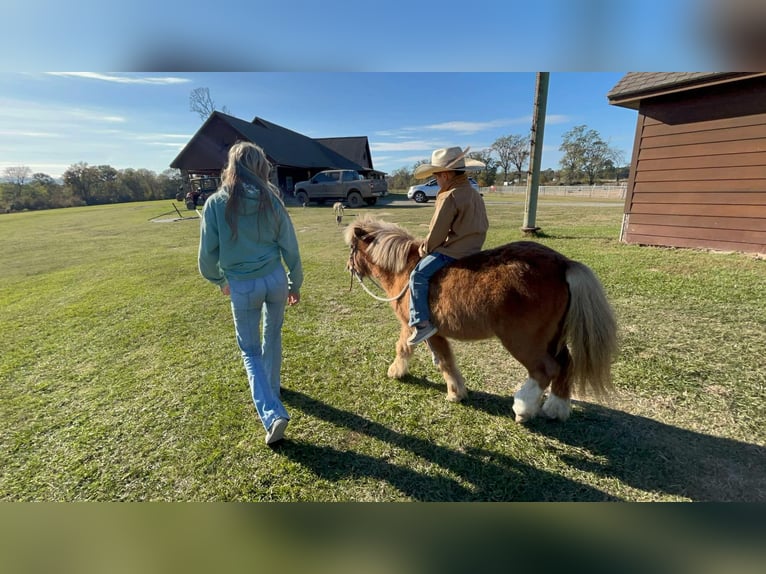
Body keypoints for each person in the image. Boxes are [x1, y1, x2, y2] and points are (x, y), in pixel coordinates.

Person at [198, 141, 303, 445]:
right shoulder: (273, 199)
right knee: (273, 335)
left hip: (242, 284)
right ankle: (272, 388)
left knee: (250, 350)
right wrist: (295, 283)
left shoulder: (216, 203)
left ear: (231, 166)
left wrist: (218, 279)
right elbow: (290, 247)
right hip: (274, 278)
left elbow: (207, 256)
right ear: (261, 167)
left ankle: (271, 412)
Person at [408, 146, 489, 345]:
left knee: (417, 275)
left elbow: (437, 233)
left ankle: (422, 323)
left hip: (454, 251)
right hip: (475, 248)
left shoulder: (449, 196)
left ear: (445, 175)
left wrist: (424, 249)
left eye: (436, 176)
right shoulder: (473, 193)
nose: (436, 180)